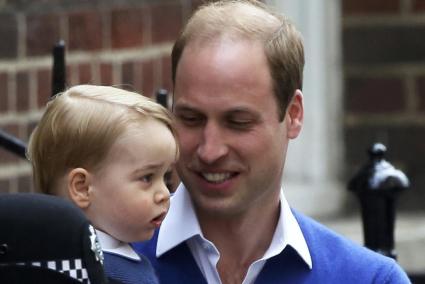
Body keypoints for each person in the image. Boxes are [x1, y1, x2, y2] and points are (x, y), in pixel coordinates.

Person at [133, 1, 411, 283]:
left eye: (238, 122)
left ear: (293, 115)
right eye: (191, 119)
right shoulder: (105, 261)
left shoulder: (369, 278)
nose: (210, 150)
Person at [27, 85, 179, 284]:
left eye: (165, 176)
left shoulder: (48, 258)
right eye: (147, 178)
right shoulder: (97, 273)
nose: (164, 193)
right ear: (82, 188)